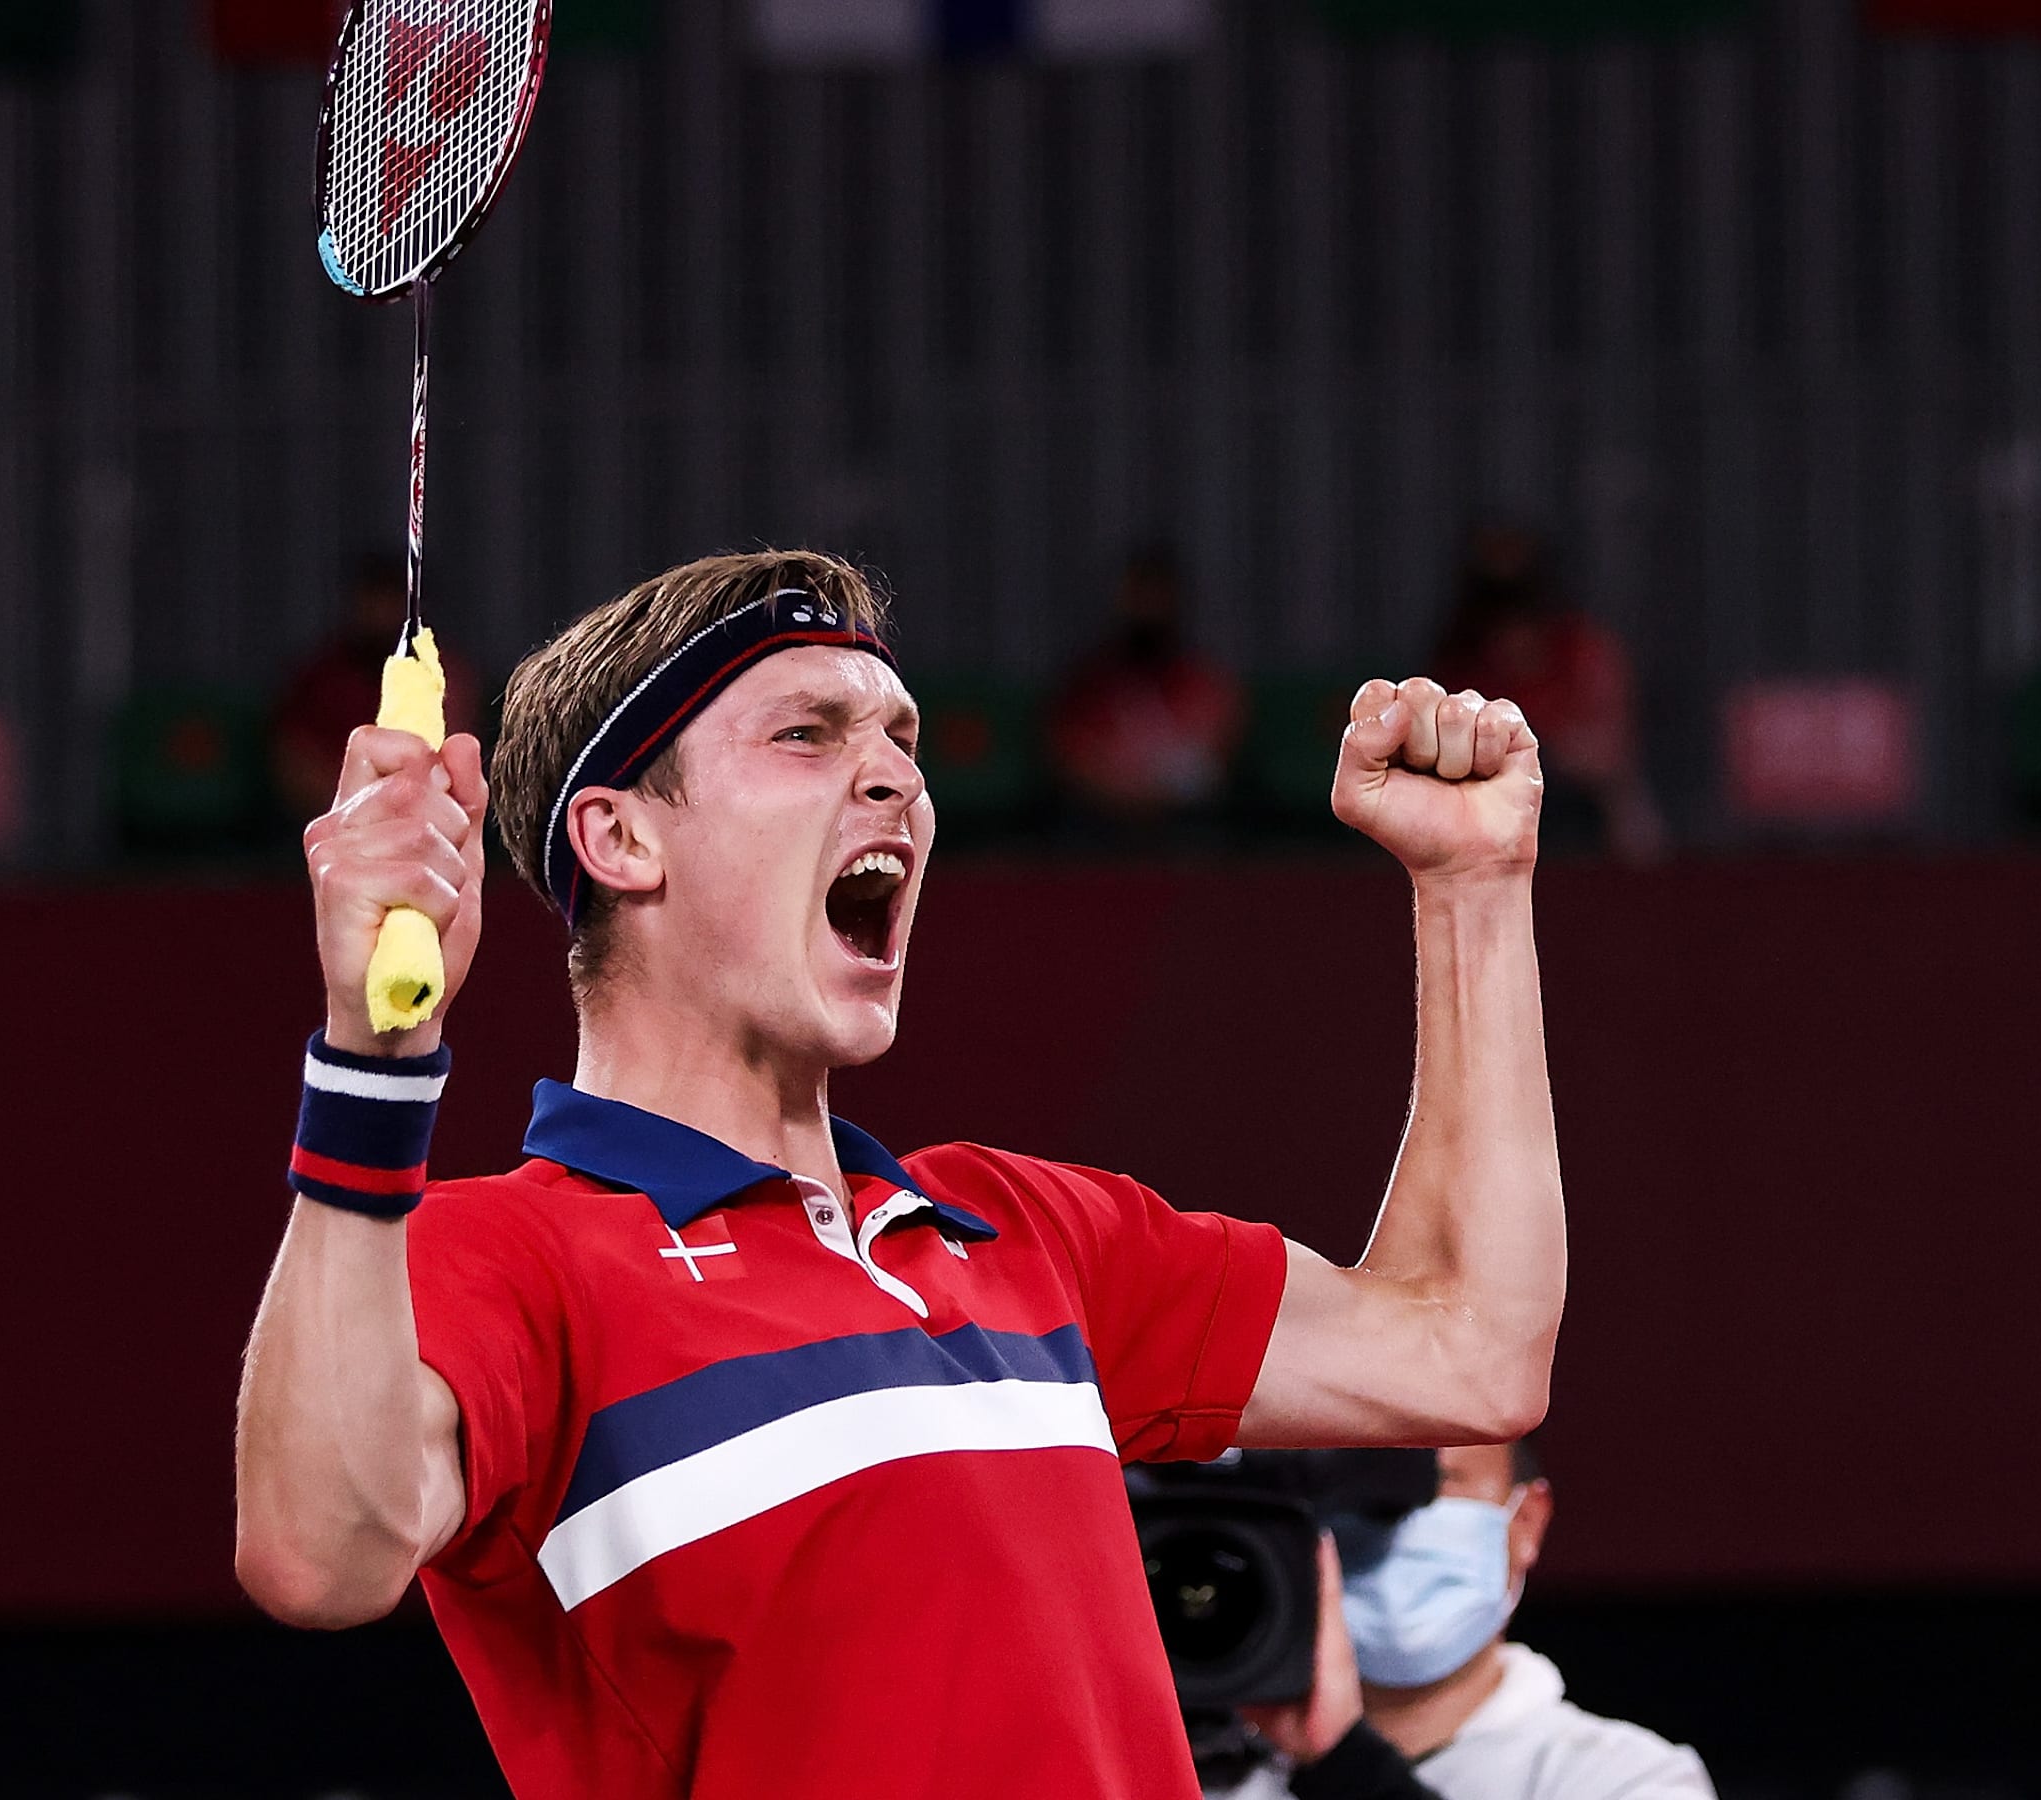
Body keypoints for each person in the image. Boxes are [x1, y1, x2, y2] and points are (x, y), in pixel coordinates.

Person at [232, 548, 1567, 1799]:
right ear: (622, 839)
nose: (895, 781)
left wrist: (1476, 889)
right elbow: (317, 1556)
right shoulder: (506, 1259)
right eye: (808, 734)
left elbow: (1465, 1353)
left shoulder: (1027, 1232)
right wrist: (373, 1062)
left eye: (902, 743)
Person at [1208, 1442, 1717, 1800]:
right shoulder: (1197, 1771)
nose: (1395, 1523)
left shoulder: (1624, 1779)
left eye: (1438, 1486)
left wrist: (1343, 1765)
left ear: (1526, 1522)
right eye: (1365, 1493)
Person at [1427, 525, 1663, 867]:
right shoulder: (1457, 666)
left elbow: (1607, 754)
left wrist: (1537, 749)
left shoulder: (1583, 652)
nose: (1512, 629)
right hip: (1487, 823)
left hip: (1577, 815)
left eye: (1523, 606)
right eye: (1496, 609)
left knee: (1632, 818)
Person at [271, 553, 487, 820]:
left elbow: (454, 758)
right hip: (334, 819)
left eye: (391, 601)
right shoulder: (321, 676)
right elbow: (295, 762)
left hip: (428, 816)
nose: (381, 612)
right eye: (374, 601)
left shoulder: (444, 674)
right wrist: (356, 809)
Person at [1046, 545, 1245, 825]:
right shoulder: (1088, 686)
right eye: (1138, 596)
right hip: (1101, 828)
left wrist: (1159, 795)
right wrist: (1128, 797)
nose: (1148, 608)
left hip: (1186, 828)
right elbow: (1070, 760)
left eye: (1157, 595)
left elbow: (1219, 754)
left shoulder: (1203, 682)